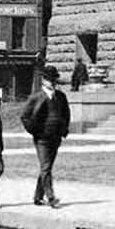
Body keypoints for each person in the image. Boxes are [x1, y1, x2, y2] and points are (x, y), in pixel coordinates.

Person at [20, 65, 70, 208]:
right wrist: (35, 131)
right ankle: (51, 197)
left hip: (56, 137)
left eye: (54, 79)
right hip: (41, 138)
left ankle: (37, 196)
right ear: (43, 80)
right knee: (46, 167)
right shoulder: (36, 97)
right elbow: (25, 117)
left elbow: (66, 114)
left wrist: (64, 130)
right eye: (49, 79)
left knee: (46, 168)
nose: (52, 82)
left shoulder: (61, 97)